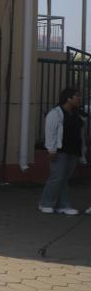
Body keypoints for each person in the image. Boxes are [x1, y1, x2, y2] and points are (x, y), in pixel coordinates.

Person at [40, 87, 86, 216]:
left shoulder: (77, 114)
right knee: (57, 177)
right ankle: (45, 203)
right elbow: (50, 132)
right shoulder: (56, 113)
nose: (80, 98)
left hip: (74, 150)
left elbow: (80, 134)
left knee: (64, 179)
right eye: (77, 96)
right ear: (68, 98)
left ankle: (63, 206)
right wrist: (51, 149)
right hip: (60, 150)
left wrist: (82, 151)